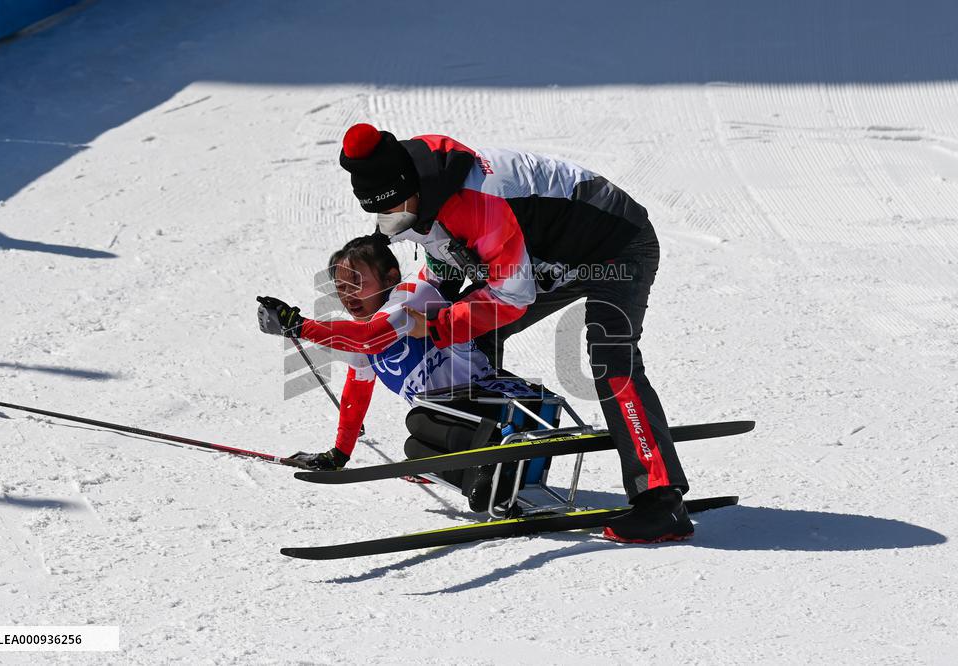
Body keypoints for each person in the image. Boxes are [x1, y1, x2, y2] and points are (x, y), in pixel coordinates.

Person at [336, 123, 692, 543]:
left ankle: (661, 501)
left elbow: (511, 295)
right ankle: (483, 452)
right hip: (549, 255)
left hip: (615, 248)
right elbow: (445, 267)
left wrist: (434, 323)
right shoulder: (419, 200)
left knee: (610, 358)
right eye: (384, 211)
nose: (393, 218)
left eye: (397, 206)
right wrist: (412, 312)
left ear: (412, 187)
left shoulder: (477, 200)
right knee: (469, 337)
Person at [257, 234, 512, 511]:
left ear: (390, 278)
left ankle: (491, 459)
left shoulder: (412, 295)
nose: (349, 296)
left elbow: (370, 337)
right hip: (457, 421)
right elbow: (356, 395)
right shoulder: (361, 334)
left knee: (420, 420)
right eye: (341, 288)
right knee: (415, 449)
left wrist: (300, 326)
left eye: (357, 282)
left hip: (494, 404)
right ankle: (489, 481)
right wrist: (339, 454)